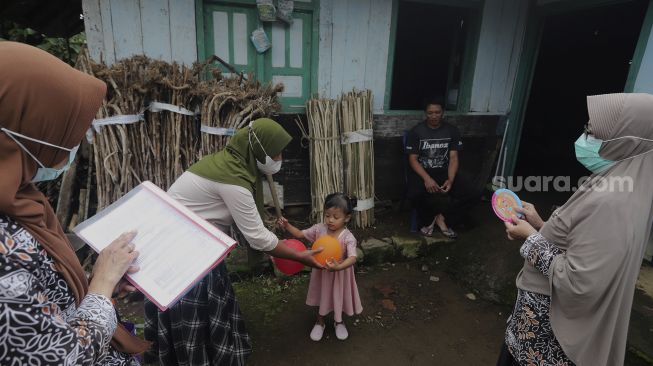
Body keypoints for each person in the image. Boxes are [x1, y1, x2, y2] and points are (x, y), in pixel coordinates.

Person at [0, 42, 150, 364]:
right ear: (26, 129)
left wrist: (97, 288)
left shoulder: (18, 198)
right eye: (67, 129)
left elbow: (38, 294)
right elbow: (62, 358)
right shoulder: (4, 249)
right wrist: (100, 286)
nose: (76, 142)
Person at [144, 118, 323, 365]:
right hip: (182, 252)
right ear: (259, 151)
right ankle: (196, 356)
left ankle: (207, 347)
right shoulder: (233, 181)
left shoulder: (226, 163)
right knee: (192, 311)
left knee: (208, 302)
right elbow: (258, 237)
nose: (280, 159)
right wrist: (299, 256)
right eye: (276, 153)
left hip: (194, 242)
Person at [500, 93, 653, 365]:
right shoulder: (621, 183)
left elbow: (580, 282)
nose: (584, 137)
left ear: (625, 143)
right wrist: (540, 223)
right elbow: (584, 245)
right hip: (537, 326)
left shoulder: (612, 201)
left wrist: (530, 237)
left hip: (544, 338)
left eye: (591, 132)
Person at [278, 193, 363, 341]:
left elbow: (352, 257)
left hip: (339, 274)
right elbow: (300, 234)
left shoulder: (348, 237)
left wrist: (339, 267)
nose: (330, 220)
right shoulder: (319, 229)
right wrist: (287, 225)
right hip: (321, 273)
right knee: (321, 295)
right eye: (327, 215)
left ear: (347, 218)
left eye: (336, 217)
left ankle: (339, 321)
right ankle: (320, 322)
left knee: (338, 296)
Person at [406, 98, 476, 238]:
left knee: (472, 193)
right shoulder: (416, 132)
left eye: (437, 112)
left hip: (444, 171)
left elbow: (454, 157)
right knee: (414, 195)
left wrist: (450, 179)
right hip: (423, 171)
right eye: (430, 113)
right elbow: (412, 160)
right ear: (425, 113)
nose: (434, 116)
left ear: (442, 112)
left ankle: (442, 218)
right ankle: (432, 218)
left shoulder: (452, 131)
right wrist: (427, 179)